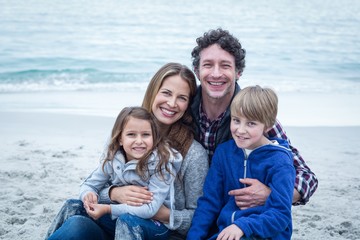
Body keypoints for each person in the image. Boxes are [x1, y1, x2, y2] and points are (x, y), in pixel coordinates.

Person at [44, 63, 209, 240]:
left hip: (155, 231)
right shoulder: (125, 133)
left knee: (128, 221)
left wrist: (162, 213)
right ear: (153, 91)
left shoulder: (191, 154)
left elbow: (199, 218)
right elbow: (97, 182)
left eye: (182, 98)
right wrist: (114, 193)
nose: (172, 103)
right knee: (76, 216)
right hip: (113, 222)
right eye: (166, 93)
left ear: (188, 104)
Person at [190, 28, 318, 209]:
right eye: (208, 65)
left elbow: (307, 177)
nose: (216, 74)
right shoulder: (182, 106)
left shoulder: (252, 113)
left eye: (225, 65)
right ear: (197, 70)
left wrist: (272, 195)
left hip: (237, 212)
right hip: (196, 208)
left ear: (238, 72)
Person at [47, 106, 183, 240]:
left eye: (146, 135)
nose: (139, 141)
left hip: (154, 226)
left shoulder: (162, 165)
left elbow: (150, 209)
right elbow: (89, 184)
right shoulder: (113, 160)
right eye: (131, 134)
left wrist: (108, 209)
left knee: (127, 221)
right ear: (120, 139)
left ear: (154, 137)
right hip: (118, 219)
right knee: (73, 205)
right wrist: (88, 194)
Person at [187, 85, 295, 240]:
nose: (240, 130)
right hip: (226, 233)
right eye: (236, 120)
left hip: (265, 234)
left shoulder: (280, 161)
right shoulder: (224, 153)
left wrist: (242, 226)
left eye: (251, 123)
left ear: (268, 126)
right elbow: (209, 201)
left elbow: (281, 215)